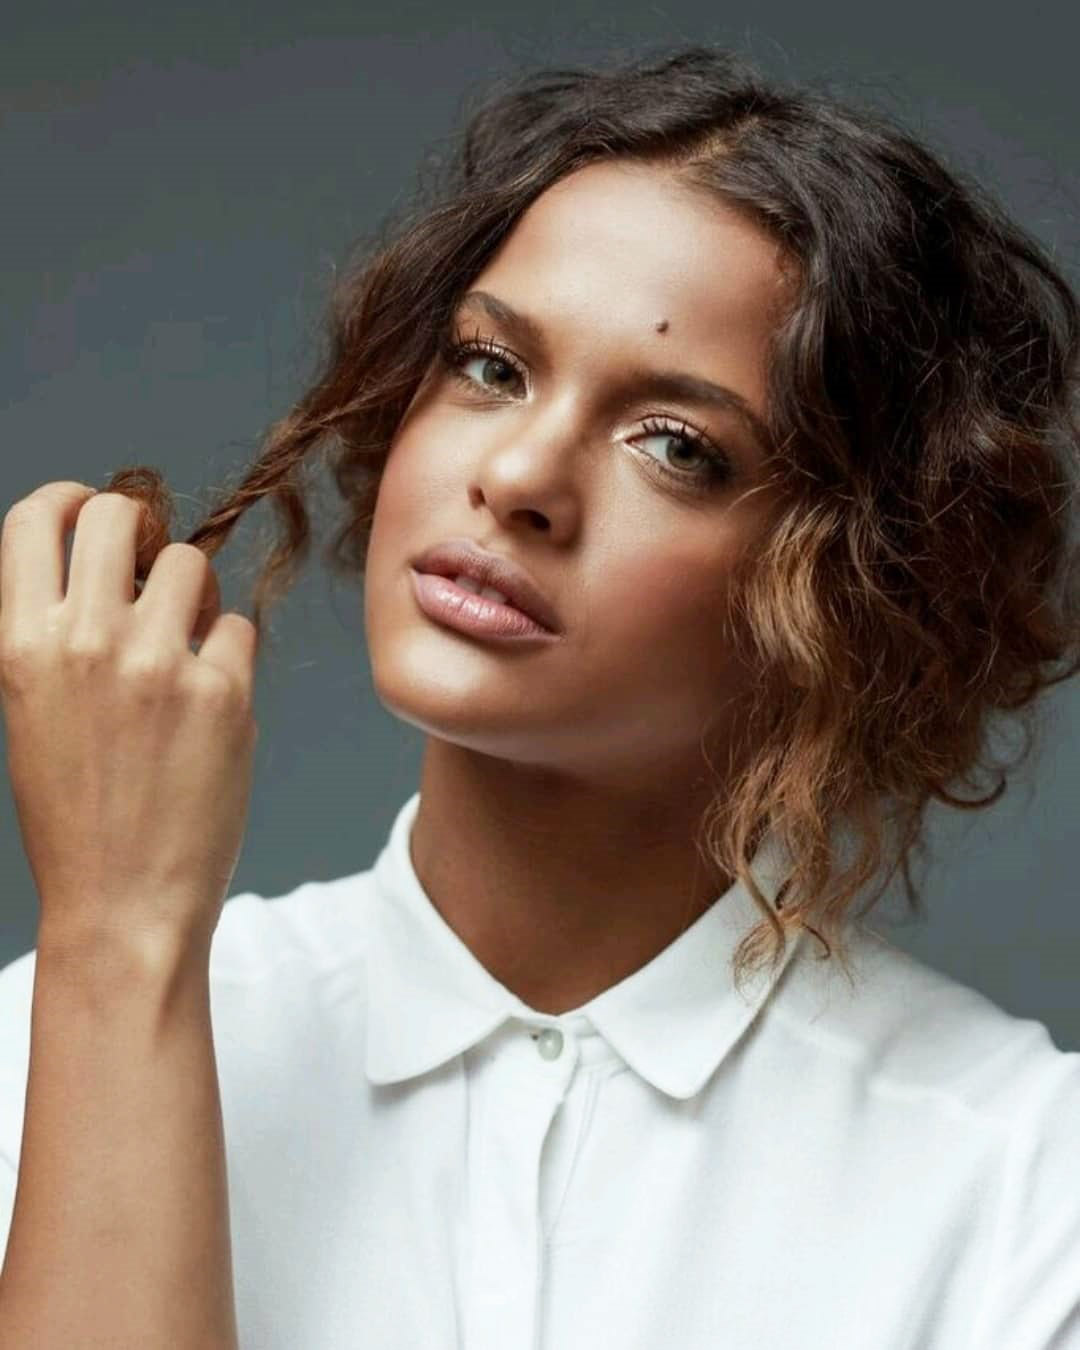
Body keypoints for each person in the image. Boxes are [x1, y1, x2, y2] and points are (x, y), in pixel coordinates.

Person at [0, 42, 1078, 1350]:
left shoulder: (1022, 1187)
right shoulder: (45, 1046)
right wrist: (118, 939)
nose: (519, 475)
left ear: (859, 585)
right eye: (491, 366)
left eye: (676, 444)